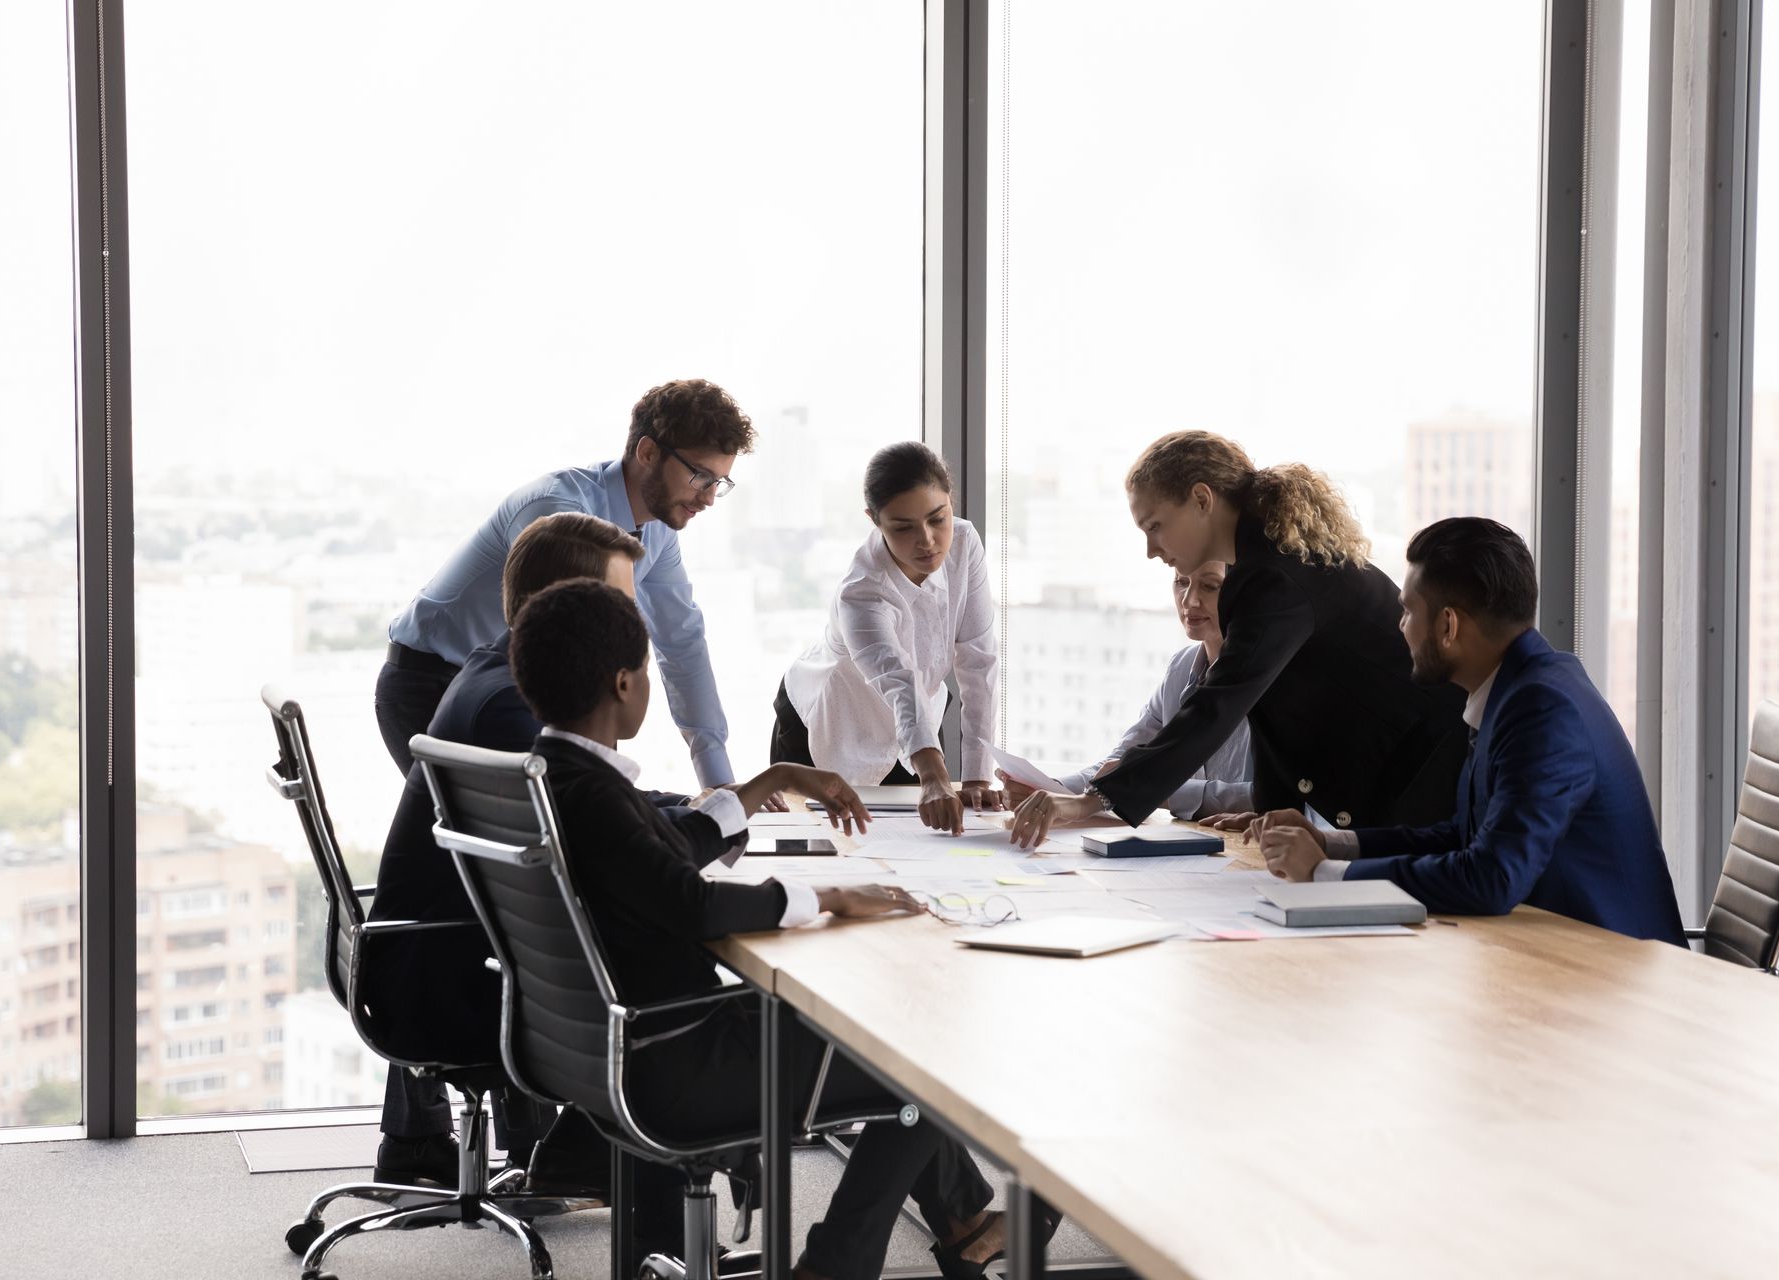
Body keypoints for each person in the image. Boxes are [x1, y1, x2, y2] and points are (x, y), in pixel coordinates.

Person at [511, 579, 1022, 1279]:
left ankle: (959, 1218)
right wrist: (830, 897)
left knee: (879, 1026)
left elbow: (657, 854)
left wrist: (766, 782)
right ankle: (837, 1264)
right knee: (922, 1052)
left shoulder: (553, 780)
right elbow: (692, 905)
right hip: (676, 1060)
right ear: (625, 683)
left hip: (593, 1053)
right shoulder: (595, 795)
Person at [367, 512, 755, 1195]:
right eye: (622, 603)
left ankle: (596, 1154)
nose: (633, 621)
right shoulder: (511, 712)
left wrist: (691, 810)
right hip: (461, 973)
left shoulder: (493, 674)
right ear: (573, 606)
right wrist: (708, 819)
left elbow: (595, 803)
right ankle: (627, 1150)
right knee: (662, 956)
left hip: (438, 954)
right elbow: (605, 842)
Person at [1005, 431, 1466, 848]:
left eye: (1155, 526)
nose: (1151, 550)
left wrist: (1092, 800)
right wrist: (1270, 809)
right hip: (1401, 761)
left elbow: (1218, 705)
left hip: (1422, 766)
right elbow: (1270, 705)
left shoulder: (1276, 574)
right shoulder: (1264, 564)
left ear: (1202, 500)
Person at [1254, 517, 1687, 944]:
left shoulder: (1542, 711)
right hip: (1559, 954)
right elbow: (1462, 835)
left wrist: (1323, 874)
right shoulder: (1520, 690)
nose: (1399, 627)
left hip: (1617, 973)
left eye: (1407, 611)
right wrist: (1332, 845)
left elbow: (1492, 878)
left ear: (1448, 626)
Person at [374, 377, 753, 789]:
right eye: (701, 476)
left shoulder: (658, 532)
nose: (710, 497)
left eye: (720, 483)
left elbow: (682, 641)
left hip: (508, 689)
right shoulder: (557, 511)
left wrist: (717, 781)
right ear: (647, 452)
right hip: (432, 684)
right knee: (531, 835)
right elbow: (581, 659)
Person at [774, 441, 999, 835]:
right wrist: (933, 776)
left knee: (925, 847)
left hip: (917, 725)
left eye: (938, 518)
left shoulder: (965, 543)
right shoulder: (860, 591)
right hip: (830, 722)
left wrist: (978, 776)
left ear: (951, 501)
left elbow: (979, 662)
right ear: (874, 520)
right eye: (903, 527)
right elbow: (899, 681)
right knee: (827, 855)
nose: (927, 540)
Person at [1052, 561, 1253, 820]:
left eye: (1210, 586)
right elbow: (1124, 761)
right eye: (1181, 582)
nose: (1189, 600)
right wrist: (1049, 788)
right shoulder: (1181, 667)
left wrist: (1158, 790)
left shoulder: (1275, 680)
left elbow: (1280, 800)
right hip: (1191, 843)